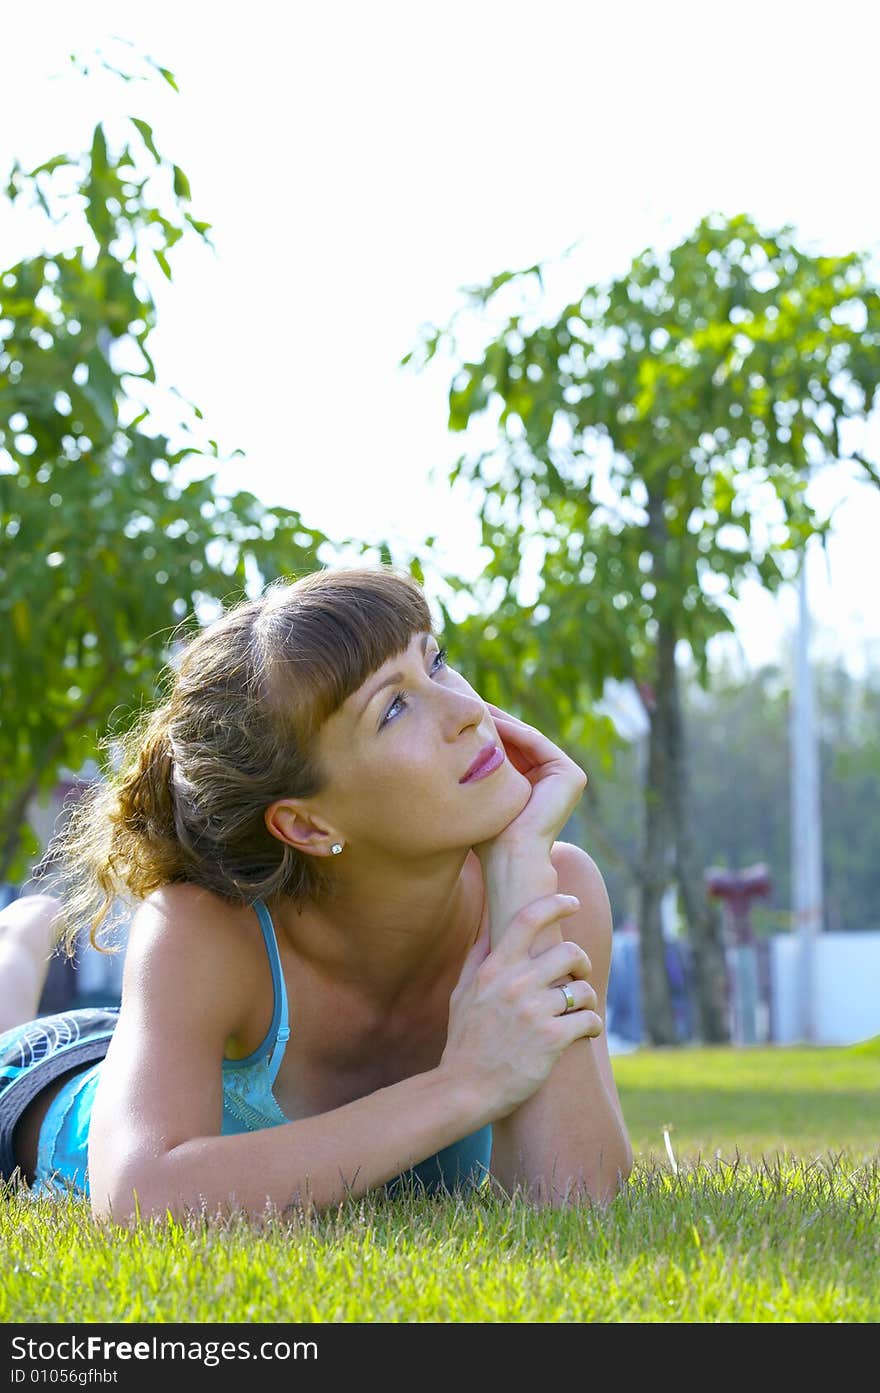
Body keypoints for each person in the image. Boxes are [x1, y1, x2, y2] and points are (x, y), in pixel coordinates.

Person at [0, 565, 632, 1223]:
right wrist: (463, 1085)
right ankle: (19, 939)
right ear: (306, 823)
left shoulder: (559, 889)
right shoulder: (203, 927)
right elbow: (136, 1198)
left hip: (164, 1047)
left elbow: (578, 1200)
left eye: (435, 663)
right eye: (394, 707)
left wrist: (523, 867)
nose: (470, 712)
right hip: (46, 1073)